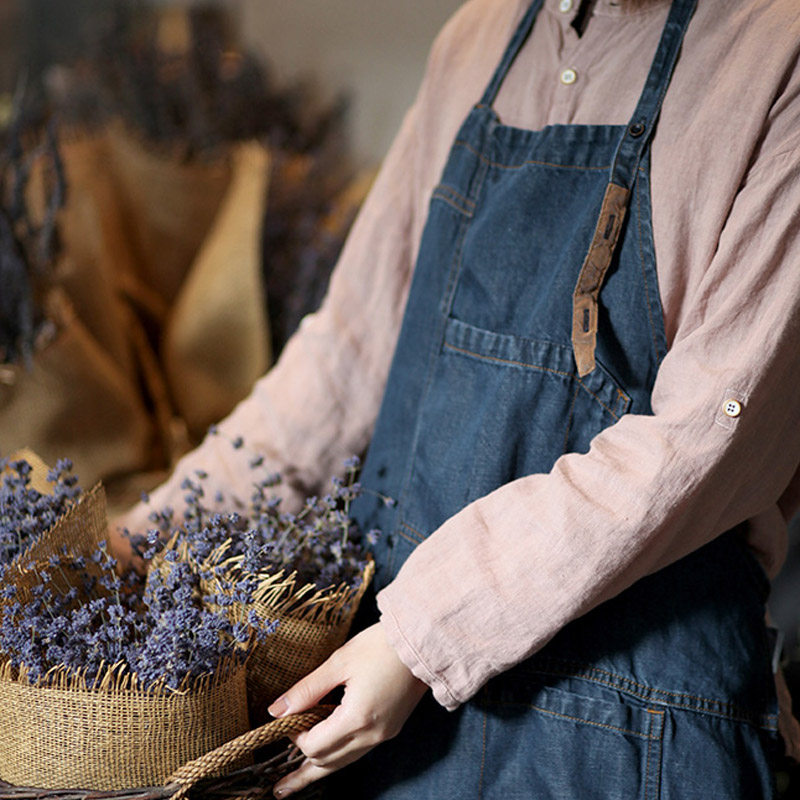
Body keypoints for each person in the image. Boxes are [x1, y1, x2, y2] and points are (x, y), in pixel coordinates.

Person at [113, 0, 800, 796]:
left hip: (629, 731)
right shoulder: (478, 38)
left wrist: (420, 638)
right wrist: (142, 541)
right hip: (392, 716)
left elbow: (706, 444)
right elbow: (348, 354)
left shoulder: (775, 55)